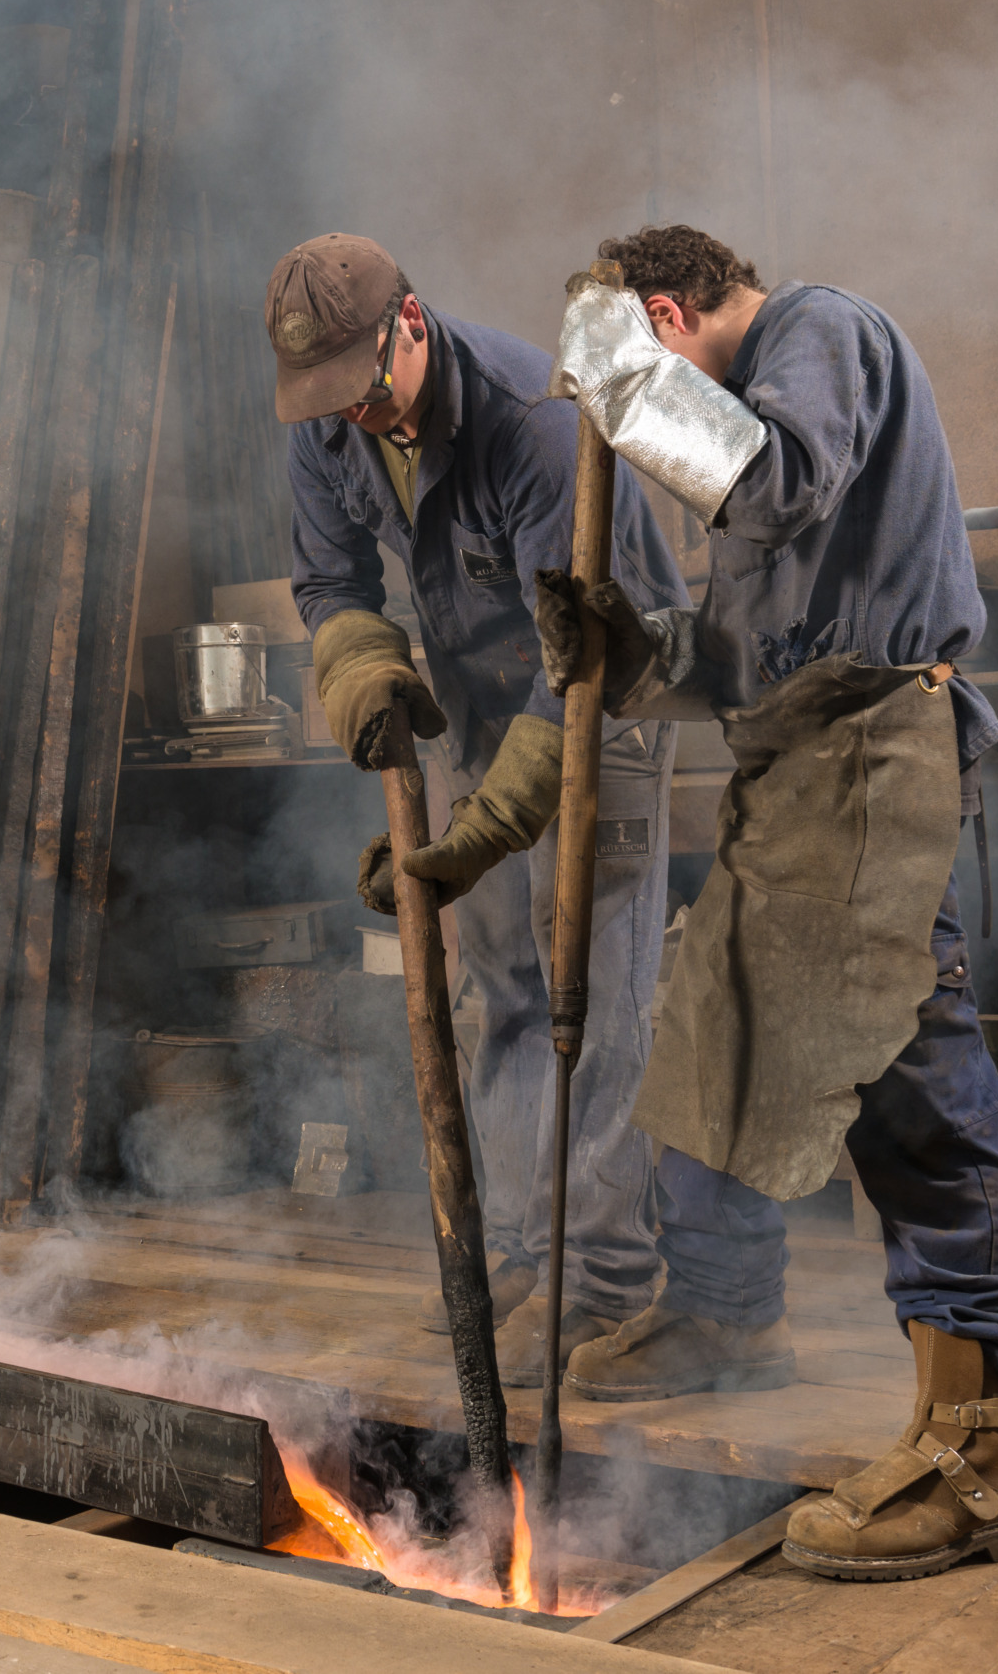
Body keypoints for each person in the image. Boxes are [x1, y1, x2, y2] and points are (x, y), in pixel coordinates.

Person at [536, 224, 998, 1581]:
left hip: (875, 759)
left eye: (645, 352)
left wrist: (617, 377)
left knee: (911, 1083)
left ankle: (983, 1454)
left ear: (666, 316)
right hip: (792, 770)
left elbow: (773, 484)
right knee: (708, 1028)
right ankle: (722, 1313)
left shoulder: (818, 328)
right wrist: (631, 652)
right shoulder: (761, 394)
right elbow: (739, 651)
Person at [269, 234, 689, 1385]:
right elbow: (330, 580)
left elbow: (583, 657)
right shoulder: (326, 418)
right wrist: (362, 667)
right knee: (500, 993)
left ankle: (602, 1278)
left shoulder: (531, 422)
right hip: (483, 710)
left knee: (584, 999)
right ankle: (518, 1247)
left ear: (409, 321)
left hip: (601, 704)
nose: (346, 412)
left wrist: (483, 830)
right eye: (323, 395)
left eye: (360, 385)